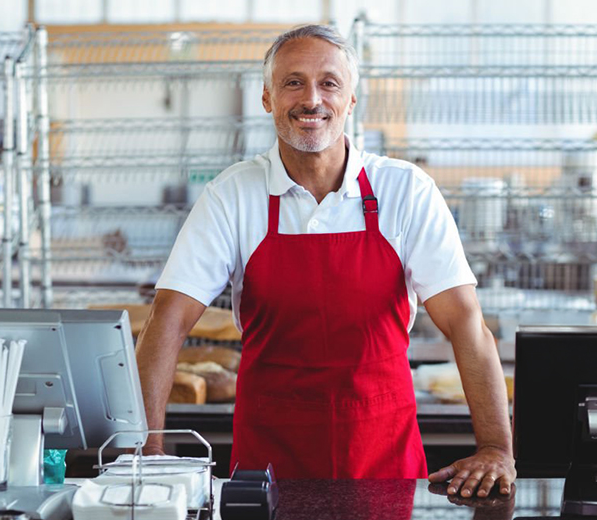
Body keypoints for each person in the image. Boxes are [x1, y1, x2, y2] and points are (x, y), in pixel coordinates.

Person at [135, 24, 515, 498]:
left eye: (329, 83)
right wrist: (146, 449)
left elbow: (466, 324)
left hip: (385, 462)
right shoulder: (232, 195)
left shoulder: (405, 190)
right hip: (267, 467)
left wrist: (497, 447)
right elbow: (168, 318)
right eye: (293, 82)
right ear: (268, 98)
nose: (311, 99)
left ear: (351, 100)